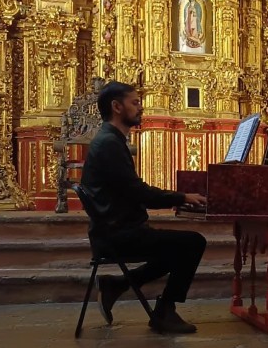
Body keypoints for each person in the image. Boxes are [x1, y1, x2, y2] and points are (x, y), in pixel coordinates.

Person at [80, 81, 208, 334]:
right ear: (117, 106)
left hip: (112, 231)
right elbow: (139, 193)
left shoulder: (110, 140)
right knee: (194, 243)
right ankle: (164, 312)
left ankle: (117, 286)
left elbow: (132, 191)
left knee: (179, 248)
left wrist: (179, 197)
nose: (141, 108)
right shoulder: (109, 144)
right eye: (135, 102)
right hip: (117, 236)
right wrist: (182, 197)